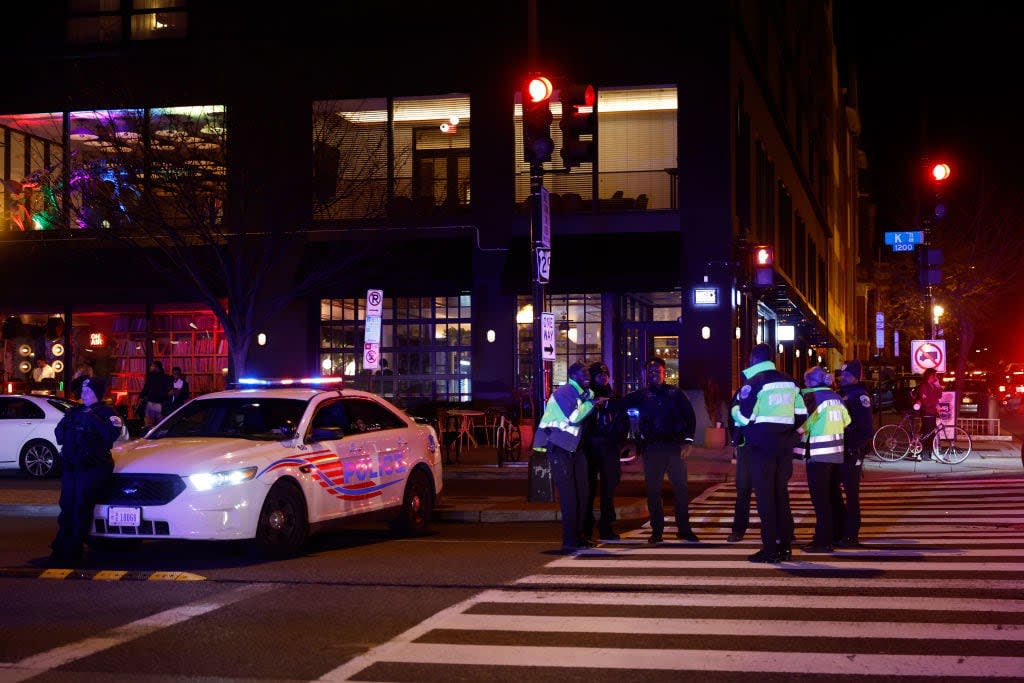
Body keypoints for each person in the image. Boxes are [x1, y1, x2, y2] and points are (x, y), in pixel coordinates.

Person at [731, 343, 807, 563]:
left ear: (753, 360)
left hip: (761, 449)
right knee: (781, 496)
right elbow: (802, 415)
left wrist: (735, 409)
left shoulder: (754, 383)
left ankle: (770, 550)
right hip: (783, 449)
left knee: (765, 500)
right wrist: (791, 436)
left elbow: (743, 418)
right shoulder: (790, 382)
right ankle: (785, 546)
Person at [619, 357, 699, 545]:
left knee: (681, 489)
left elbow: (690, 417)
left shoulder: (675, 394)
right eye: (651, 372)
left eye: (658, 371)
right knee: (653, 491)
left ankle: (684, 530)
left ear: (665, 373)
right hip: (651, 448)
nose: (654, 374)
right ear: (646, 375)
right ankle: (657, 532)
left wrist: (688, 442)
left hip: (674, 448)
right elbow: (619, 406)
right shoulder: (641, 395)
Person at [48, 376, 123, 566]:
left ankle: (73, 549)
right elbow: (59, 435)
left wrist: (92, 420)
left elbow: (110, 436)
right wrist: (72, 420)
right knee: (67, 505)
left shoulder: (108, 413)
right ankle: (61, 546)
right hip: (73, 466)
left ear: (97, 394)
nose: (84, 394)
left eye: (88, 391)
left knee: (81, 506)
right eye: (83, 391)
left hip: (93, 466)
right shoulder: (75, 412)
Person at [536, 360, 602, 553]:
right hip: (560, 448)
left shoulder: (586, 394)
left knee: (583, 493)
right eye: (584, 374)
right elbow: (573, 419)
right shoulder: (564, 392)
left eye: (588, 374)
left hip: (575, 449)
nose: (588, 377)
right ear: (573, 376)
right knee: (569, 496)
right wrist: (591, 404)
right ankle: (570, 539)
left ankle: (580, 536)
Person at [794, 366, 850, 554]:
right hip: (836, 453)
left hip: (818, 454)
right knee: (833, 496)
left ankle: (823, 541)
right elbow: (847, 421)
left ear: (810, 382)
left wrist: (794, 435)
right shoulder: (836, 397)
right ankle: (836, 534)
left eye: (805, 380)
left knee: (821, 500)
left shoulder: (812, 398)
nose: (804, 384)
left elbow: (804, 425)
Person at [581, 362, 629, 541]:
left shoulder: (615, 397)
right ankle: (586, 525)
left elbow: (624, 422)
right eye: (599, 374)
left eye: (606, 373)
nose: (603, 376)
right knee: (588, 489)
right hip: (590, 448)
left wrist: (619, 443)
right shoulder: (586, 397)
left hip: (609, 448)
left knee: (609, 490)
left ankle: (606, 526)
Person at [836, 359, 873, 547]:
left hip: (851, 452)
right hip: (842, 451)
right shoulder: (844, 394)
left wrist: (852, 448)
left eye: (846, 375)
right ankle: (843, 530)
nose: (842, 378)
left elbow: (865, 429)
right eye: (842, 374)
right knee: (839, 492)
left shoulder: (859, 396)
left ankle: (851, 534)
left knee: (851, 494)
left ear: (855, 376)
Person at [913, 367, 942, 461]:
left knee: (931, 434)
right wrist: (935, 405)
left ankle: (928, 453)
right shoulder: (924, 386)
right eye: (935, 375)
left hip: (932, 413)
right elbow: (925, 401)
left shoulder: (932, 385)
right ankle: (921, 453)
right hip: (927, 412)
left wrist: (938, 385)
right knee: (926, 434)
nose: (936, 377)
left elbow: (939, 395)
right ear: (930, 375)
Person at [138, 360, 173, 428]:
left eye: (152, 366)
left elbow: (146, 388)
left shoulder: (164, 377)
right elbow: (146, 388)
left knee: (157, 424)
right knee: (154, 424)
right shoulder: (152, 377)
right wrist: (141, 397)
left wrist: (141, 397)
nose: (150, 367)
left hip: (159, 403)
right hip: (153, 402)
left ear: (157, 367)